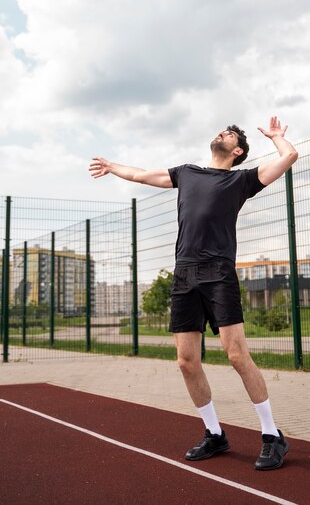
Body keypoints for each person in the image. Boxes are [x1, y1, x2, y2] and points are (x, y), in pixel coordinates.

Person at [89, 116, 298, 470]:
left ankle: (272, 435)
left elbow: (288, 157)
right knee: (186, 361)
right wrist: (111, 166)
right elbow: (142, 175)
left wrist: (277, 137)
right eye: (221, 131)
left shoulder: (241, 179)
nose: (221, 133)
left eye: (228, 134)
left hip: (219, 273)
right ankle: (215, 434)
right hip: (184, 273)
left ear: (237, 151)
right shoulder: (187, 173)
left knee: (236, 355)